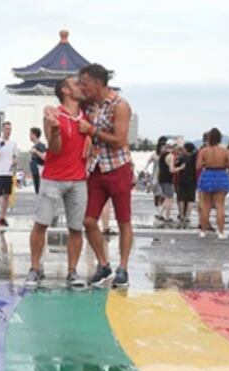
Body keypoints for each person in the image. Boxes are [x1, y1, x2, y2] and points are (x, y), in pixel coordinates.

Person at [25, 77, 90, 288]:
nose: (81, 86)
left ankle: (72, 272)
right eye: (76, 83)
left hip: (79, 179)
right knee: (41, 224)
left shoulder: (86, 115)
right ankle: (34, 269)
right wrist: (54, 130)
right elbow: (54, 148)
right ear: (65, 90)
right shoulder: (54, 115)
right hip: (53, 178)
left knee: (76, 228)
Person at [78, 63, 133, 288]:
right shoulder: (90, 105)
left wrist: (93, 132)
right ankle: (103, 264)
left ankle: (123, 267)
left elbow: (120, 140)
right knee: (89, 220)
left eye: (85, 83)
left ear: (98, 83)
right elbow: (69, 96)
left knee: (123, 220)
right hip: (97, 168)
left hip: (118, 166)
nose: (82, 87)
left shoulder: (120, 105)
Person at [196, 128, 229, 239]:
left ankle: (203, 231)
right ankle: (221, 232)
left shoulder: (203, 151)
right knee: (219, 205)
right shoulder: (225, 151)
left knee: (206, 205)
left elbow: (198, 166)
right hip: (220, 175)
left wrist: (206, 162)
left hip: (207, 175)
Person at [174, 143, 198, 224]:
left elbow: (175, 165)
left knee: (181, 199)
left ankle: (181, 216)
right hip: (193, 181)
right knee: (190, 199)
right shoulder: (195, 158)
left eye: (184, 148)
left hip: (182, 180)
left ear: (186, 149)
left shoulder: (182, 158)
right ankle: (187, 216)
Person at [156, 141, 176, 221]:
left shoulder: (162, 155)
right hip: (168, 179)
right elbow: (171, 170)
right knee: (169, 198)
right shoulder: (170, 156)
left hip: (162, 178)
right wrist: (180, 168)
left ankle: (160, 213)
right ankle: (166, 216)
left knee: (166, 197)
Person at [29, 127, 46, 194]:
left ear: (34, 134)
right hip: (35, 173)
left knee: (41, 193)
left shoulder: (40, 146)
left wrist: (35, 151)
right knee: (38, 192)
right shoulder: (34, 146)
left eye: (30, 134)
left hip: (40, 173)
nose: (29, 136)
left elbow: (44, 157)